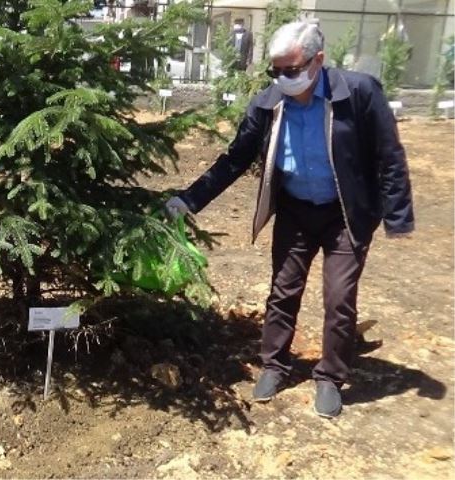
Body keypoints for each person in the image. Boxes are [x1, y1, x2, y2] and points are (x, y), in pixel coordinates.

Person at [164, 21, 414, 418]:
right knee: (283, 290)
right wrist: (190, 200)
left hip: (345, 214)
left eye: (291, 70)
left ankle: (331, 377)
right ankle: (274, 364)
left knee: (339, 299)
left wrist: (398, 216)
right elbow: (234, 159)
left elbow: (389, 155)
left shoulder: (359, 93)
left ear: (319, 60)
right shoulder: (268, 103)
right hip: (296, 210)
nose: (282, 78)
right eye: (275, 71)